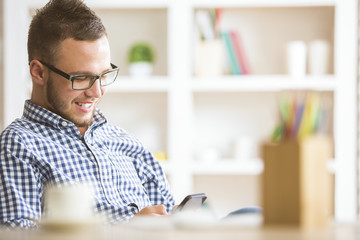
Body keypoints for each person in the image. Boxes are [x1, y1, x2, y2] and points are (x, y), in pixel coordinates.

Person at [0, 0, 175, 229]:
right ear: (38, 73)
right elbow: (17, 235)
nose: (97, 92)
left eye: (103, 75)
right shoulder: (19, 146)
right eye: (81, 78)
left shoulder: (127, 143)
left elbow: (170, 219)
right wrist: (125, 233)